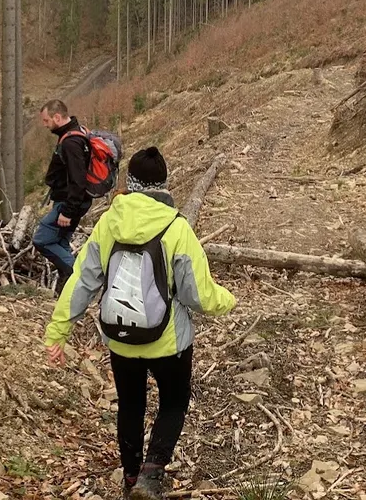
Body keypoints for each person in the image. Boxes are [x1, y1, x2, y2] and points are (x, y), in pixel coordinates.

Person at [44, 147, 235, 500]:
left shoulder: (107, 223)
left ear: (128, 183)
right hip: (169, 342)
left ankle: (130, 478)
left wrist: (58, 332)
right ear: (163, 184)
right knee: (174, 403)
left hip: (120, 338)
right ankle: (151, 472)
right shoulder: (177, 228)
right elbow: (199, 295)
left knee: (131, 405)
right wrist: (229, 301)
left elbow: (82, 281)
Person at [34, 99, 94, 291]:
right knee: (60, 243)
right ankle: (67, 292)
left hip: (69, 203)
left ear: (57, 117)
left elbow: (78, 180)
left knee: (41, 239)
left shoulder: (71, 143)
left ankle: (80, 277)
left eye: (46, 121)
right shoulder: (77, 131)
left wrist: (68, 211)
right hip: (71, 201)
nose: (45, 125)